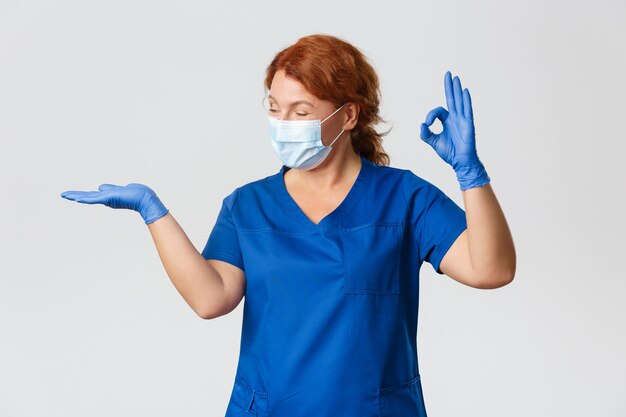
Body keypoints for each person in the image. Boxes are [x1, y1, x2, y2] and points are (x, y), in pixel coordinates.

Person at [60, 33, 516, 417]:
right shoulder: (248, 206)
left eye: (302, 112)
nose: (284, 124)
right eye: (276, 108)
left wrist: (469, 173)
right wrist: (152, 210)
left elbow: (490, 269)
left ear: (349, 115)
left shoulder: (404, 197)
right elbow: (210, 298)